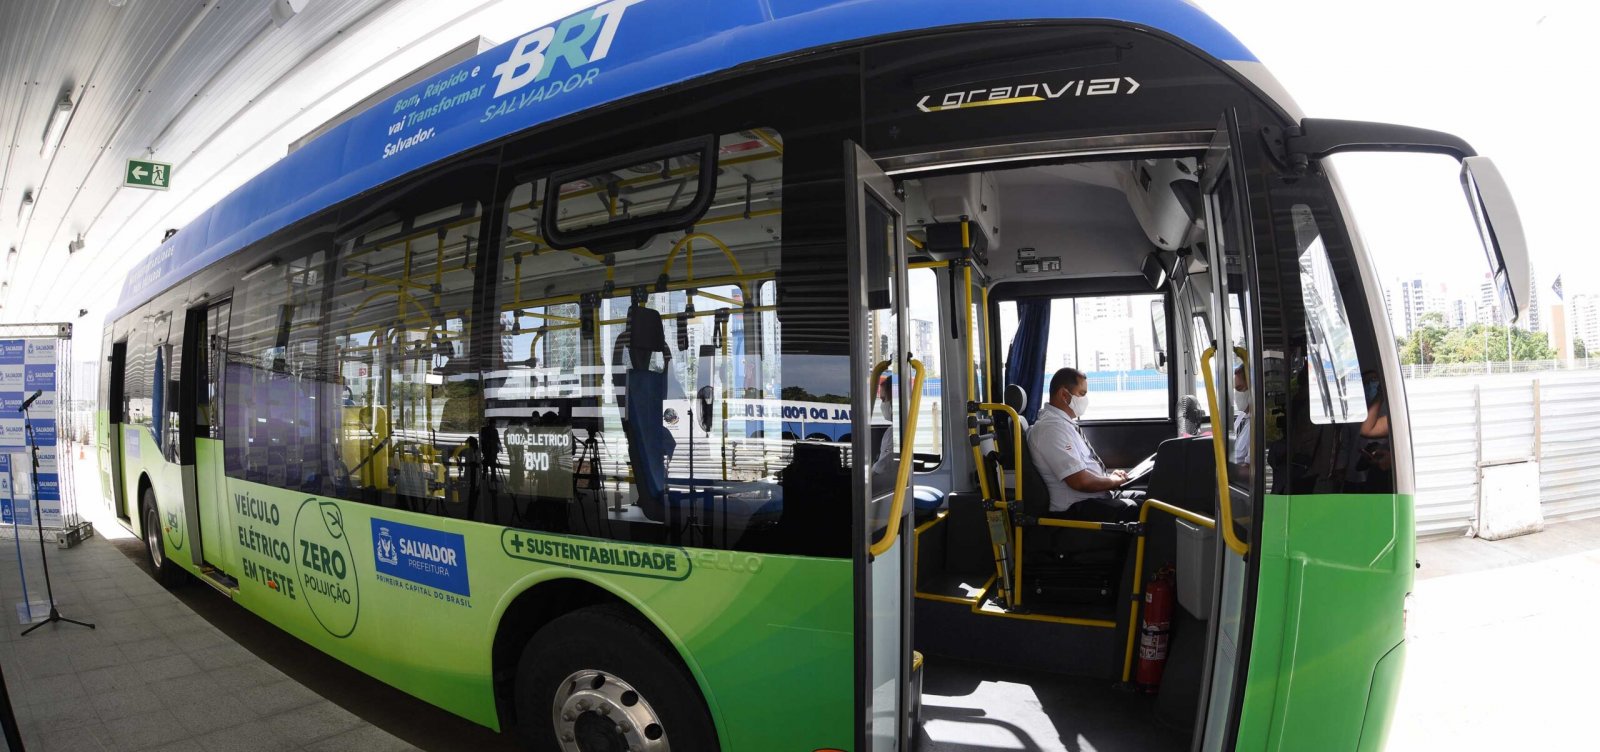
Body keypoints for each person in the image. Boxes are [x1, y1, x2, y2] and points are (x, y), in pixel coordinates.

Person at [1027, 367, 1141, 522]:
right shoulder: (1052, 428)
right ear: (1064, 394)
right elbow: (1080, 482)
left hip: (1092, 499)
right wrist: (1113, 481)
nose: (1085, 400)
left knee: (1151, 499)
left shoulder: (1063, 425)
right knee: (1144, 510)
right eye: (1082, 394)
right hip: (1076, 509)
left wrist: (1109, 478)